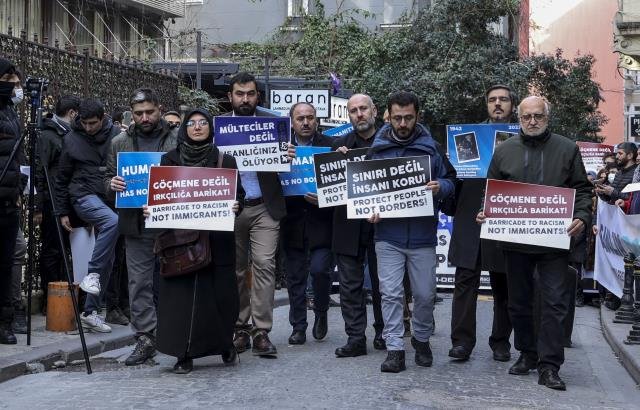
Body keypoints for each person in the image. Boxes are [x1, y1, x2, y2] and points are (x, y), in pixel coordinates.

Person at [477, 96, 592, 390]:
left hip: (554, 243)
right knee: (518, 303)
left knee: (554, 303)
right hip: (515, 242)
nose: (532, 121)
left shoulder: (567, 149)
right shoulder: (504, 151)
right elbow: (491, 191)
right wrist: (485, 212)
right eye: (526, 116)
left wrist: (581, 216)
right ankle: (527, 353)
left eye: (537, 116)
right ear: (519, 118)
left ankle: (550, 365)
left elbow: (581, 189)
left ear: (547, 117)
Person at [147, 108, 243, 374]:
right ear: (184, 128)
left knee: (219, 298)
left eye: (203, 123)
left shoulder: (225, 160)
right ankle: (183, 353)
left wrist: (236, 205)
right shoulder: (170, 160)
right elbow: (160, 195)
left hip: (217, 241)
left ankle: (224, 344)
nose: (197, 127)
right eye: (192, 123)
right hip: (180, 241)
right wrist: (152, 208)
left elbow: (240, 197)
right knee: (181, 299)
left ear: (211, 128)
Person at [368, 91, 456, 373]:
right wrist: (369, 208)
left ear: (417, 116)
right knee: (390, 294)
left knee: (425, 294)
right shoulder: (376, 149)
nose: (402, 123)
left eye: (408, 117)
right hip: (388, 236)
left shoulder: (432, 148)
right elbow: (363, 190)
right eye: (397, 118)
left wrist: (441, 187)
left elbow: (452, 180)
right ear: (388, 116)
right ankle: (394, 348)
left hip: (422, 237)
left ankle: (420, 339)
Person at [107, 88, 178, 365]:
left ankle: (175, 333)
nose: (145, 117)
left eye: (149, 112)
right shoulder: (119, 142)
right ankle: (146, 338)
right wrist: (110, 185)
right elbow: (107, 177)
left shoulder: (176, 137)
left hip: (172, 222)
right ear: (131, 114)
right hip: (136, 223)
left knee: (174, 279)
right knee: (138, 283)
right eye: (139, 114)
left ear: (159, 109)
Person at [223, 72, 291, 357]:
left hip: (265, 205)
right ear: (230, 97)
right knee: (236, 270)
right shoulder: (220, 127)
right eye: (240, 94)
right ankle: (240, 328)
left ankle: (261, 331)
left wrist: (288, 153)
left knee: (264, 265)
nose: (245, 99)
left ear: (257, 96)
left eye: (250, 93)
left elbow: (289, 155)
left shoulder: (273, 122)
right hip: (233, 207)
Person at [448, 84, 515, 362]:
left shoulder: (522, 138)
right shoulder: (467, 138)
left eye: (503, 100)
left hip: (506, 215)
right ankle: (462, 342)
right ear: (486, 104)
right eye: (492, 100)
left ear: (513, 104)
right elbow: (452, 178)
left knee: (505, 282)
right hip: (468, 216)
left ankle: (501, 342)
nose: (497, 104)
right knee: (465, 280)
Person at [55, 98, 120, 333]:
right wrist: (62, 212)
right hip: (82, 195)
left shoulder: (117, 137)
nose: (88, 127)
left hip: (109, 196)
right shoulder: (71, 138)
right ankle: (92, 273)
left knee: (109, 257)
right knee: (112, 222)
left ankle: (90, 312)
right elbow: (61, 178)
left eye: (93, 123)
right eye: (84, 123)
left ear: (102, 119)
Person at [333, 93, 385, 357]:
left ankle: (384, 333)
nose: (359, 114)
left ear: (374, 110)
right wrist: (337, 162)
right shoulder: (338, 146)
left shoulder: (390, 143)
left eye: (363, 108)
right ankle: (355, 338)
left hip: (383, 225)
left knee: (383, 284)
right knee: (349, 285)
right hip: (347, 225)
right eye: (353, 111)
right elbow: (327, 188)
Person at [281, 102, 334, 345]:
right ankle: (298, 326)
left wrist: (325, 197)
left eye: (310, 117)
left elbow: (340, 185)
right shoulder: (281, 147)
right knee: (295, 277)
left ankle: (321, 311)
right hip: (292, 222)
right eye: (300, 118)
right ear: (291, 121)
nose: (305, 122)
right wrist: (280, 160)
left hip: (322, 221)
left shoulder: (330, 146)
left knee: (321, 270)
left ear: (316, 120)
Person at [35, 95, 79, 313]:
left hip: (67, 201)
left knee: (67, 251)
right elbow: (39, 171)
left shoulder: (67, 134)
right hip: (52, 201)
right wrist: (38, 206)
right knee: (52, 250)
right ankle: (50, 298)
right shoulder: (49, 136)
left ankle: (67, 296)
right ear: (72, 113)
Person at [0, 58, 25, 344]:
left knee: (6, 264)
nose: (13, 88)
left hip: (9, 202)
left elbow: (18, 157)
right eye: (8, 82)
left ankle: (4, 321)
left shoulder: (10, 113)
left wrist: (20, 188)